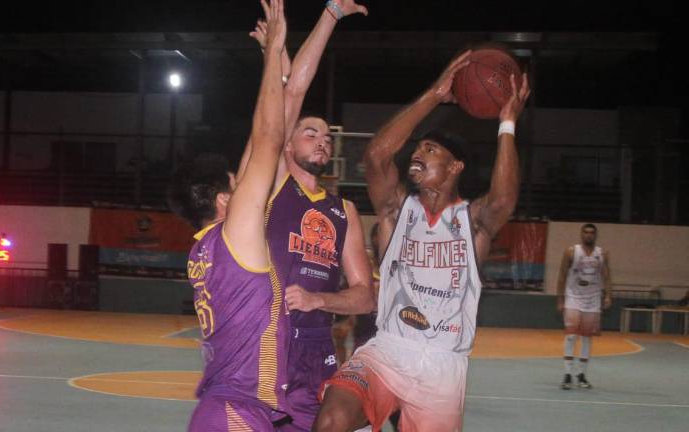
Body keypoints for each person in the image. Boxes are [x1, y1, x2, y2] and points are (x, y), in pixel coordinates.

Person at [314, 51, 531, 432]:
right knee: (332, 419)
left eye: (430, 150)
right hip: (388, 349)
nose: (417, 153)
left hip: (442, 366)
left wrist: (507, 123)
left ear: (455, 167)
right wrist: (434, 94)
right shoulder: (397, 210)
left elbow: (503, 200)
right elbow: (377, 156)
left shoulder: (472, 221)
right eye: (417, 148)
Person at [243, 1, 374, 430]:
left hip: (317, 347)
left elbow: (365, 296)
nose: (322, 140)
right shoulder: (274, 184)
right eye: (310, 132)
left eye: (327, 137)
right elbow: (292, 92)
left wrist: (321, 300)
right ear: (285, 144)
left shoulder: (344, 211)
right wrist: (330, 14)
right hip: (267, 339)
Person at [172, 2, 288, 429]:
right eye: (236, 183)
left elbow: (258, 146)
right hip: (235, 412)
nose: (246, 184)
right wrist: (274, 49)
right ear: (224, 200)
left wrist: (275, 69)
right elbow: (269, 138)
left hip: (225, 410)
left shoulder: (204, 248)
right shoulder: (234, 234)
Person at [556, 223, 612, 390]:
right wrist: (560, 299)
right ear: (581, 234)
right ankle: (567, 374)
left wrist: (608, 295)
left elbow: (606, 276)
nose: (589, 235)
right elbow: (562, 275)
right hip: (573, 297)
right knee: (571, 336)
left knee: (587, 337)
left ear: (595, 235)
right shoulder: (571, 252)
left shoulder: (602, 254)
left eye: (592, 232)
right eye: (586, 232)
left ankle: (581, 375)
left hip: (592, 299)